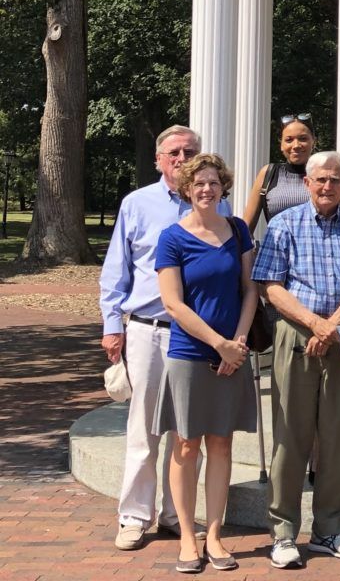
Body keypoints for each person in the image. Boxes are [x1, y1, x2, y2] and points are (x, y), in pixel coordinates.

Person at [250, 151, 340, 569]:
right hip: (295, 335)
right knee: (291, 435)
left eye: (335, 181)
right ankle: (283, 532)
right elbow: (270, 284)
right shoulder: (285, 223)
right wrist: (313, 323)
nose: (327, 187)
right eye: (320, 180)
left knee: (339, 435)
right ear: (307, 183)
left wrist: (333, 326)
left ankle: (331, 529)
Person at [99, 124, 219, 551]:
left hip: (198, 335)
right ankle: (134, 516)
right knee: (144, 426)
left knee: (188, 431)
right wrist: (112, 325)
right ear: (158, 159)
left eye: (190, 152)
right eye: (174, 153)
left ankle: (175, 515)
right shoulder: (138, 204)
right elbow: (118, 269)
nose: (182, 159)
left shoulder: (212, 206)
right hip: (148, 329)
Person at [153, 154, 258, 573]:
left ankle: (215, 535)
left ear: (223, 187)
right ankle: (187, 536)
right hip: (190, 354)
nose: (206, 189)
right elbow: (172, 303)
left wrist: (239, 342)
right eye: (198, 183)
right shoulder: (172, 238)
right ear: (186, 188)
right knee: (186, 444)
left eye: (213, 182)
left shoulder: (237, 229)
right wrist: (219, 344)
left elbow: (250, 290)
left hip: (234, 351)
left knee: (221, 442)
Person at [241, 114, 340, 231]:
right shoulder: (268, 173)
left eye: (303, 138)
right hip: (278, 247)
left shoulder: (328, 175)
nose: (296, 145)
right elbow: (246, 227)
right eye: (289, 140)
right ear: (281, 145)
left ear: (314, 142)